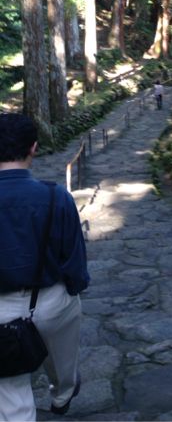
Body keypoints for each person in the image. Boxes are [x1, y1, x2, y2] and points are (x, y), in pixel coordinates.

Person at [0, 114, 90, 421]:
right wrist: (75, 287)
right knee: (62, 360)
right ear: (33, 148)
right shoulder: (56, 197)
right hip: (50, 302)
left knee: (9, 389)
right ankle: (62, 395)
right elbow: (74, 263)